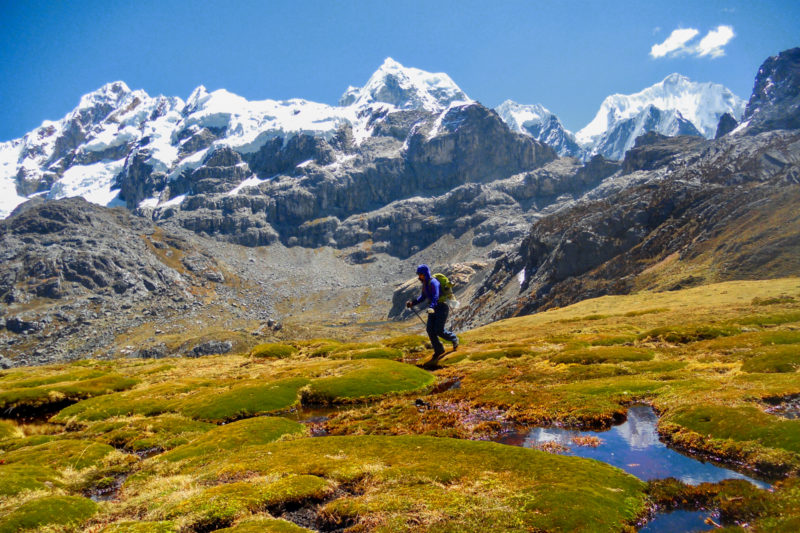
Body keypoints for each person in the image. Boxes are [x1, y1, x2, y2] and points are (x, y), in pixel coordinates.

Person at [406, 264, 458, 368]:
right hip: (432, 309)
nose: (419, 276)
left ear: (425, 273)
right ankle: (439, 350)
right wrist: (413, 303)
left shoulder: (434, 282)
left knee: (439, 330)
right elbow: (423, 297)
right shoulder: (425, 284)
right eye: (419, 275)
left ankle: (454, 339)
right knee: (430, 329)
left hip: (441, 308)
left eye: (420, 274)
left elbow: (436, 296)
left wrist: (432, 307)